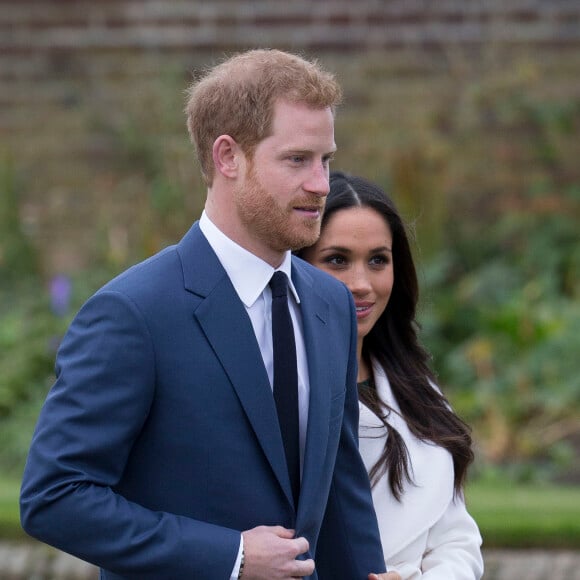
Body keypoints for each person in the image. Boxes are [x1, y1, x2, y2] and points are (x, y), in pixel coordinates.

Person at [19, 50, 400, 580]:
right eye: (297, 160)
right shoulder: (134, 313)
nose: (320, 183)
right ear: (228, 157)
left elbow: (339, 487)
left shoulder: (329, 303)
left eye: (326, 159)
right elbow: (55, 497)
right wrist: (232, 557)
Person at [297, 171, 484, 579]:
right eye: (337, 260)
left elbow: (457, 540)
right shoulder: (286, 391)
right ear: (299, 269)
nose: (361, 284)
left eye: (378, 260)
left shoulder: (418, 389)